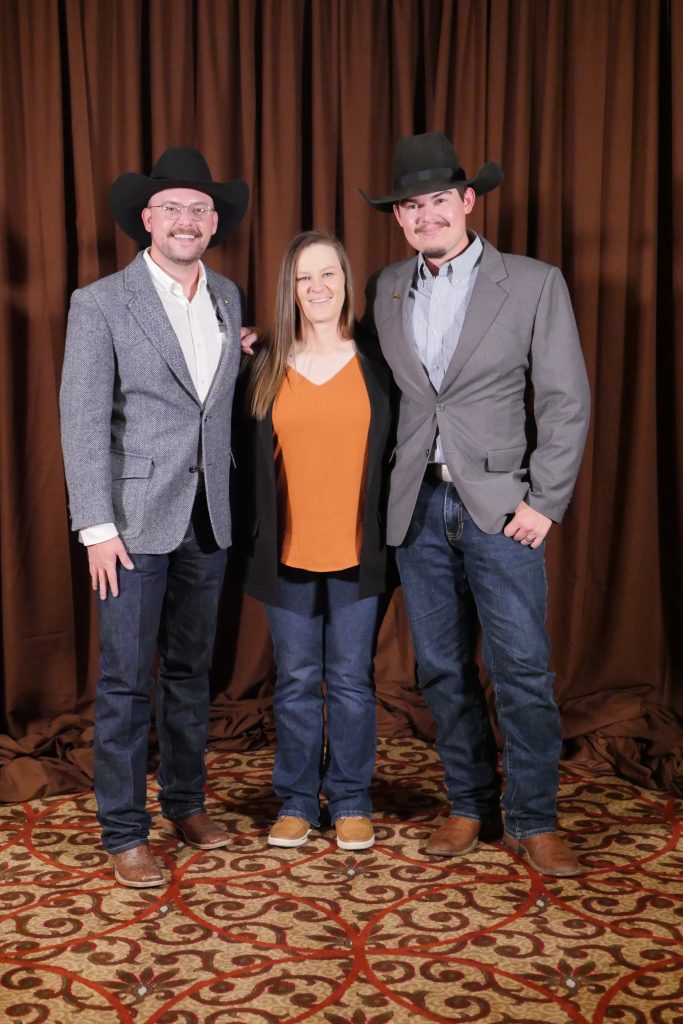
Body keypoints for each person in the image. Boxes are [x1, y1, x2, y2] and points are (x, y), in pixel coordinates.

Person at [361, 132, 590, 877]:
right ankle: (469, 805)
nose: (423, 214)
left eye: (436, 200)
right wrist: (265, 346)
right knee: (439, 671)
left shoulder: (530, 282)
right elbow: (354, 366)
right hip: (416, 510)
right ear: (397, 217)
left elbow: (564, 401)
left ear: (465, 202)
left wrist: (544, 502)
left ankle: (534, 817)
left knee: (521, 667)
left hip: (501, 509)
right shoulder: (386, 286)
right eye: (409, 205)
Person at [60, 147, 250, 888]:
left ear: (214, 224)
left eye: (199, 210)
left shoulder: (229, 297)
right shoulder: (100, 301)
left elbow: (213, 396)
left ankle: (185, 802)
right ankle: (123, 830)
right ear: (146, 219)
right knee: (124, 682)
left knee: (190, 673)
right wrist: (95, 528)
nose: (186, 220)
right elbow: (81, 423)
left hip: (210, 518)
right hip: (131, 525)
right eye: (172, 207)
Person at [236, 230, 394, 851]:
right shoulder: (265, 363)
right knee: (298, 679)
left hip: (360, 549)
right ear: (290, 289)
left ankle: (352, 798)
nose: (318, 287)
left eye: (328, 274)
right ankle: (299, 799)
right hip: (286, 552)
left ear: (347, 282)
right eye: (305, 278)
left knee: (352, 680)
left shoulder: (378, 364)